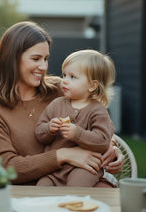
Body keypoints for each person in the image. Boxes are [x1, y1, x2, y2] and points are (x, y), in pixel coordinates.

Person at [0, 21, 123, 186]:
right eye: (36, 58)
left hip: (82, 182)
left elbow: (98, 120)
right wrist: (63, 155)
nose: (43, 66)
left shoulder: (60, 89)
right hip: (32, 194)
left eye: (46, 59)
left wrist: (112, 148)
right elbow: (6, 167)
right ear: (12, 59)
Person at [35, 49, 116, 187]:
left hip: (84, 168)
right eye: (64, 75)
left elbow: (103, 141)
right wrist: (49, 128)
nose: (64, 81)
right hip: (55, 170)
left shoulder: (98, 110)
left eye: (72, 77)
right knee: (42, 187)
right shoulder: (56, 104)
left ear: (92, 85)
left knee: (76, 191)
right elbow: (39, 132)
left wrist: (77, 134)